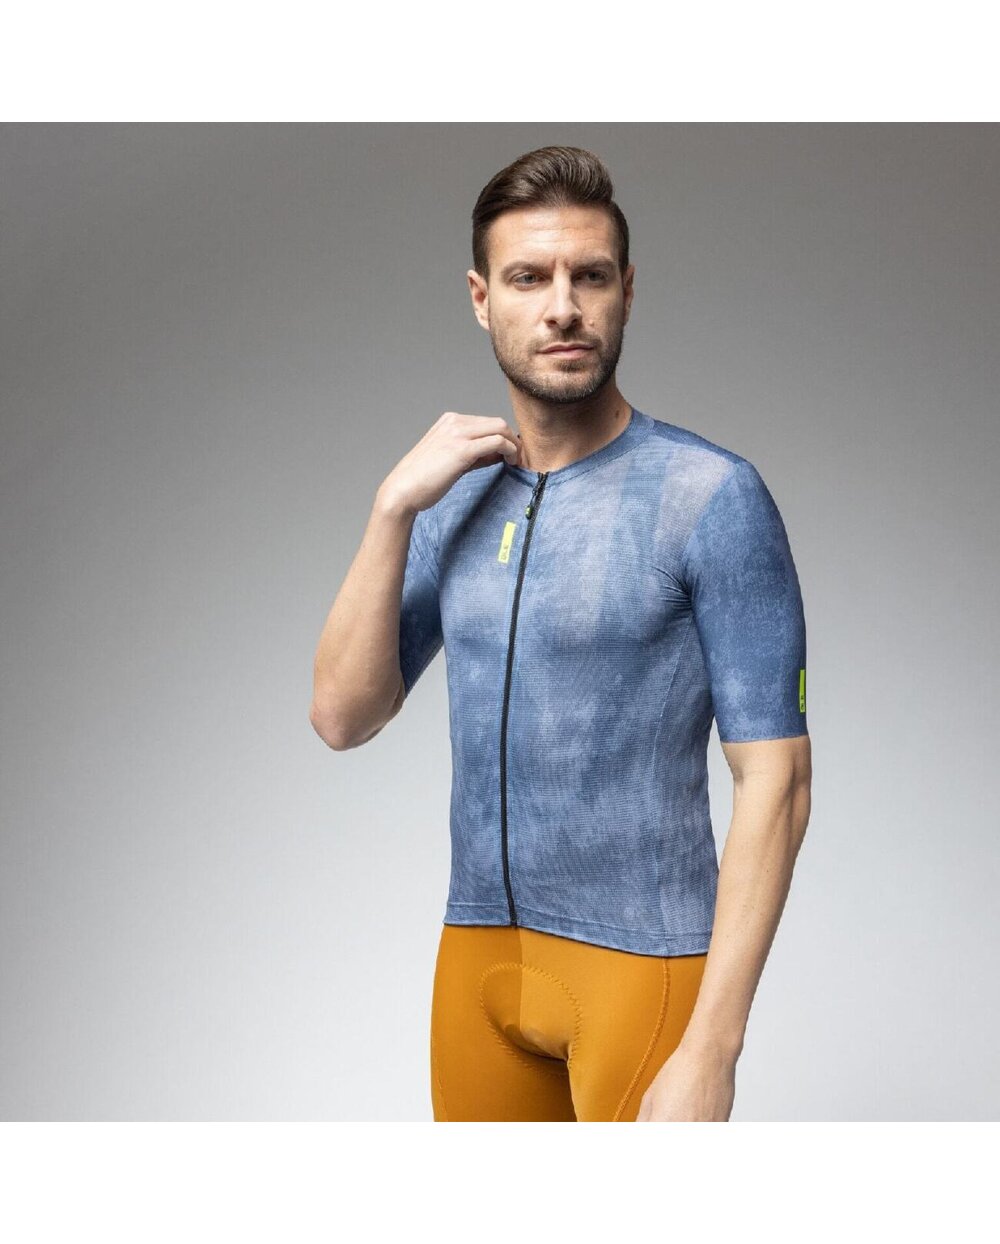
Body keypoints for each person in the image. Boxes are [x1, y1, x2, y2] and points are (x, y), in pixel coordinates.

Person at [310, 145, 812, 1122]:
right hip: (475, 962)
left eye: (589, 276)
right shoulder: (452, 497)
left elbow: (778, 780)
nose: (562, 308)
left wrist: (713, 1045)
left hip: (643, 966)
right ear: (480, 298)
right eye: (528, 278)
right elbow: (341, 714)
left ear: (627, 291)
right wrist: (391, 508)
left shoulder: (711, 497)